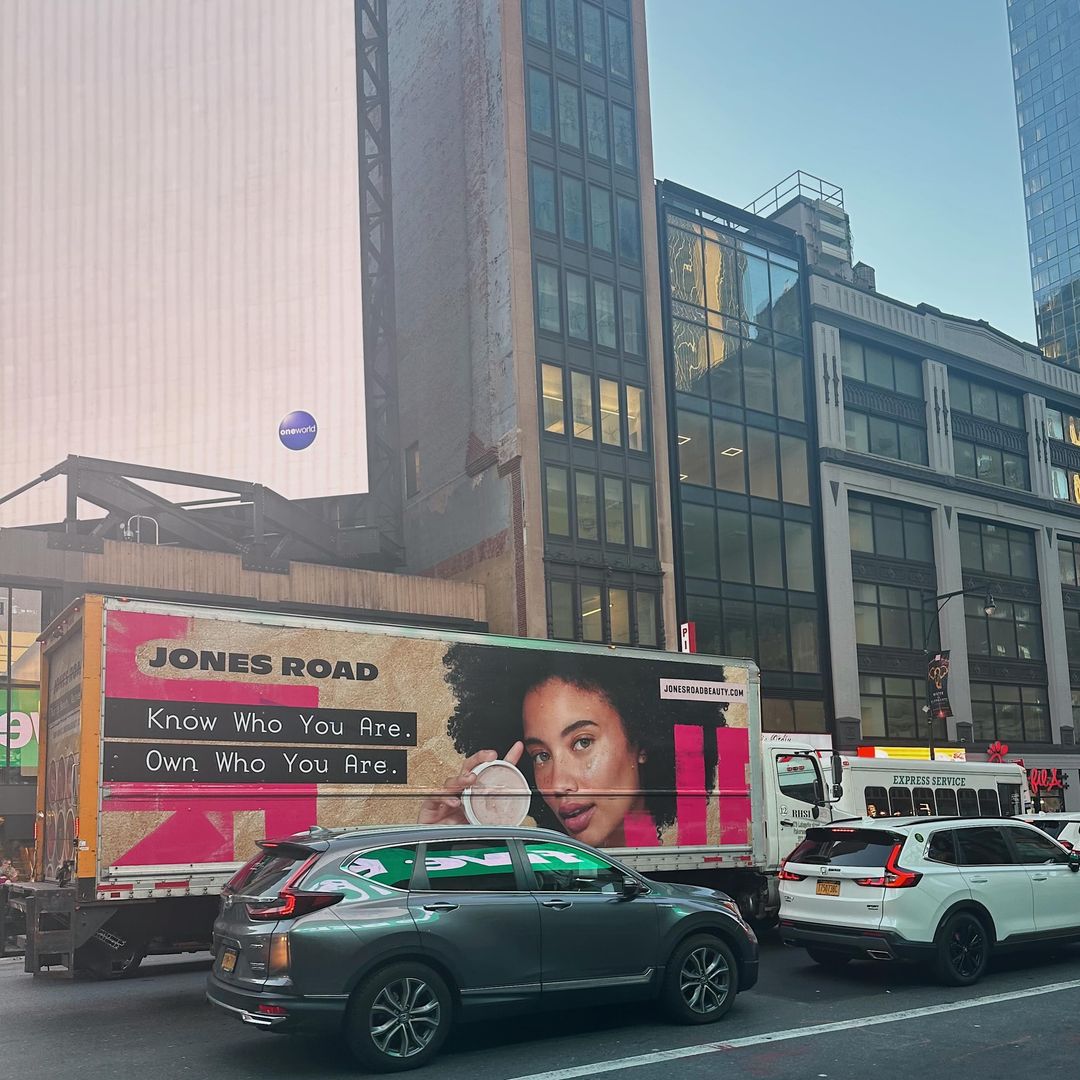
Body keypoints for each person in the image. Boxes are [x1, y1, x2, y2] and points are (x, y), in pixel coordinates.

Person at [420, 645, 727, 848]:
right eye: (541, 756)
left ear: (640, 741)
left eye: (582, 742)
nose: (557, 784)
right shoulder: (547, 876)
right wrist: (451, 846)